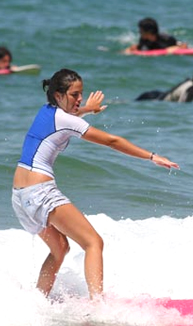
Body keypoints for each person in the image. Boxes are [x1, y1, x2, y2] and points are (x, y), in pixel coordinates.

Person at [12, 69, 179, 300]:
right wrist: (151, 156)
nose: (79, 99)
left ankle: (37, 302)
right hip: (40, 191)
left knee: (60, 249)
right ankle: (98, 307)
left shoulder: (47, 111)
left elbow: (70, 118)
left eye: (81, 94)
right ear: (59, 95)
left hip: (20, 197)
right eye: (74, 95)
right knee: (93, 242)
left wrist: (88, 109)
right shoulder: (65, 119)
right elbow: (112, 140)